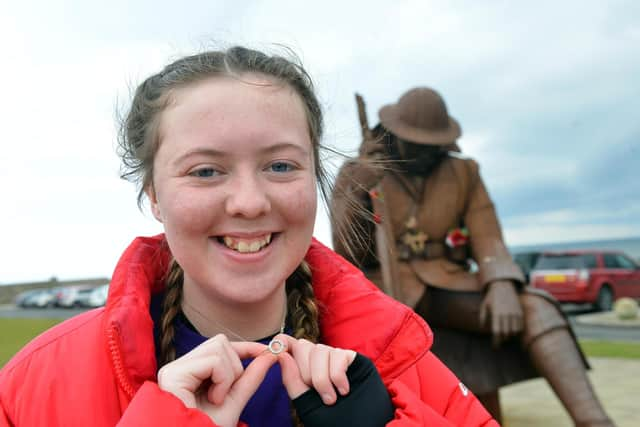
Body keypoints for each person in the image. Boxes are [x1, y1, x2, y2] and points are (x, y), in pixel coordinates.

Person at [0, 48, 498, 427]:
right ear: (154, 194)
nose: (249, 202)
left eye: (281, 165)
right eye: (206, 171)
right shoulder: (35, 383)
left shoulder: (404, 364)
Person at [331, 87, 614, 427]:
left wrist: (501, 283)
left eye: (430, 145)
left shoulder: (464, 172)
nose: (423, 153)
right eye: (415, 143)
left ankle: (595, 421)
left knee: (536, 307)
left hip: (449, 284)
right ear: (396, 134)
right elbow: (346, 253)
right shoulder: (360, 170)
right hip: (386, 292)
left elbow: (487, 235)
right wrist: (358, 189)